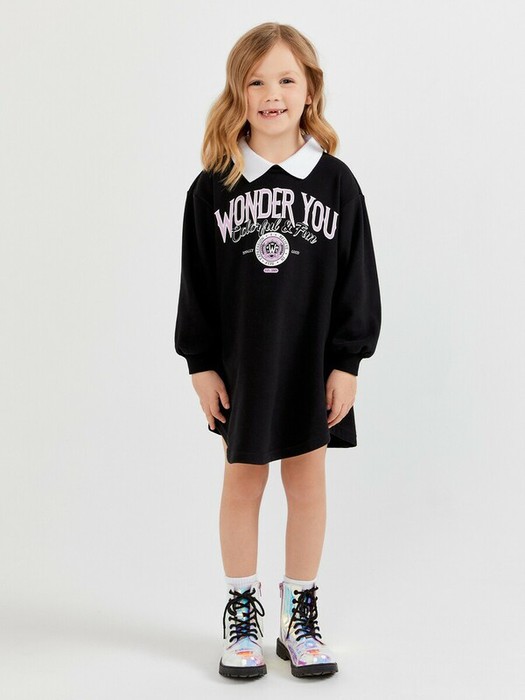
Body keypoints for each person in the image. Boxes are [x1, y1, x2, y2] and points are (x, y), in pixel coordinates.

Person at [174, 22, 381, 680]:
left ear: (309, 90)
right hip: (243, 368)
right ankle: (241, 613)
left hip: (311, 367)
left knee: (308, 485)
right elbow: (196, 284)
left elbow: (356, 277)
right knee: (243, 483)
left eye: (286, 79)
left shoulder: (335, 183)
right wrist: (200, 363)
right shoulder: (213, 187)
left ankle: (300, 618)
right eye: (256, 81)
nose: (271, 94)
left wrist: (347, 361)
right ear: (236, 92)